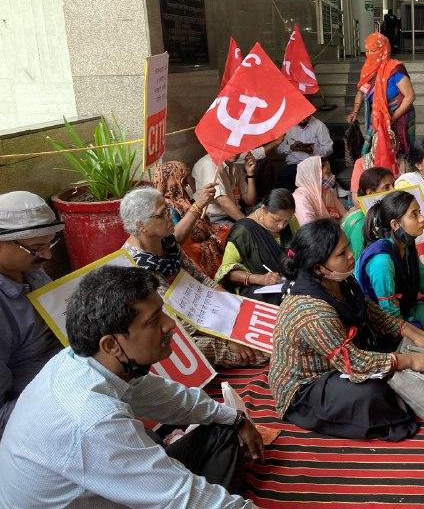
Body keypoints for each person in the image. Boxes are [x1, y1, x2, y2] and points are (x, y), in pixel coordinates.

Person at [0, 266, 262, 507]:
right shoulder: (94, 419)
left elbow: (167, 398)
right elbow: (182, 496)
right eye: (153, 321)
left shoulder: (85, 360)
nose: (170, 325)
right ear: (111, 345)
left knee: (223, 433)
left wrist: (235, 418)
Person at [269, 219, 424, 440]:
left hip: (341, 360)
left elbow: (375, 315)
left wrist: (414, 335)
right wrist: (408, 360)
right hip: (305, 387)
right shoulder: (311, 311)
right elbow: (353, 362)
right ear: (318, 268)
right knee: (373, 394)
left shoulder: (343, 281)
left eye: (348, 247)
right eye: (342, 254)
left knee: (409, 346)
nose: (352, 254)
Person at [120, 187, 267, 367]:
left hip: (199, 310)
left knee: (250, 319)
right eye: (162, 214)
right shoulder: (137, 267)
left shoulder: (166, 242)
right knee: (250, 350)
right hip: (170, 327)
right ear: (140, 225)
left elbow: (200, 278)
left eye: (167, 209)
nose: (170, 215)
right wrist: (227, 337)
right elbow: (177, 318)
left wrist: (234, 305)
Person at [356, 192, 424, 354]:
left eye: (419, 212)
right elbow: (391, 319)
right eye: (414, 214)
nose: (422, 218)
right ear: (395, 224)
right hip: (386, 330)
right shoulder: (382, 261)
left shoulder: (407, 245)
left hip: (406, 312)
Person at [0, 191, 63, 439]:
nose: (47, 255)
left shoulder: (30, 271)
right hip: (32, 412)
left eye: (50, 244)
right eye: (36, 248)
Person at [216, 188, 298, 305]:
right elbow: (226, 272)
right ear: (264, 210)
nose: (281, 225)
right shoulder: (243, 231)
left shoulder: (290, 221)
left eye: (286, 220)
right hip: (258, 288)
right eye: (276, 220)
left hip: (289, 279)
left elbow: (300, 248)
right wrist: (260, 279)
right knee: (286, 298)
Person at [153, 160, 229, 279]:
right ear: (174, 181)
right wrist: (199, 205)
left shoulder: (182, 199)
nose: (187, 184)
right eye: (184, 180)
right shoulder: (167, 207)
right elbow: (178, 237)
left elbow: (203, 223)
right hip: (189, 252)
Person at [348, 32, 416, 158]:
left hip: (399, 115)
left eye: (372, 51)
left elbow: (410, 96)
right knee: (377, 152)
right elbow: (361, 92)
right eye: (366, 51)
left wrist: (393, 117)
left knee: (400, 152)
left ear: (383, 50)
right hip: (378, 116)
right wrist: (355, 112)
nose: (368, 54)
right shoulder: (368, 70)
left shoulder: (395, 70)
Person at [342, 167, 394, 259]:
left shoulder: (377, 214)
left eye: (393, 185)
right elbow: (360, 261)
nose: (393, 190)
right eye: (386, 187)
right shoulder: (360, 223)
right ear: (370, 193)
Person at [192, 151, 258, 224]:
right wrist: (250, 225)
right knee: (250, 232)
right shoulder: (209, 164)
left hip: (237, 212)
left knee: (265, 212)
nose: (236, 152)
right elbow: (222, 201)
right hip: (216, 219)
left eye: (238, 148)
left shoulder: (235, 167)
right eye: (231, 148)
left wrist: (250, 173)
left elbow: (250, 201)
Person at [276, 111, 334, 191]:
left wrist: (312, 150)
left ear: (309, 114)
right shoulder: (289, 125)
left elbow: (329, 149)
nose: (301, 121)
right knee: (284, 178)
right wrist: (291, 147)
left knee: (311, 183)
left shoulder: (319, 126)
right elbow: (279, 150)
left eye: (304, 118)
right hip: (294, 164)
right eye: (299, 119)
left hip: (312, 164)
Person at [293, 155, 346, 225]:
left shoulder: (326, 192)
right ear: (314, 175)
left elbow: (344, 213)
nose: (332, 176)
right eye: (327, 173)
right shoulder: (300, 198)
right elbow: (309, 228)